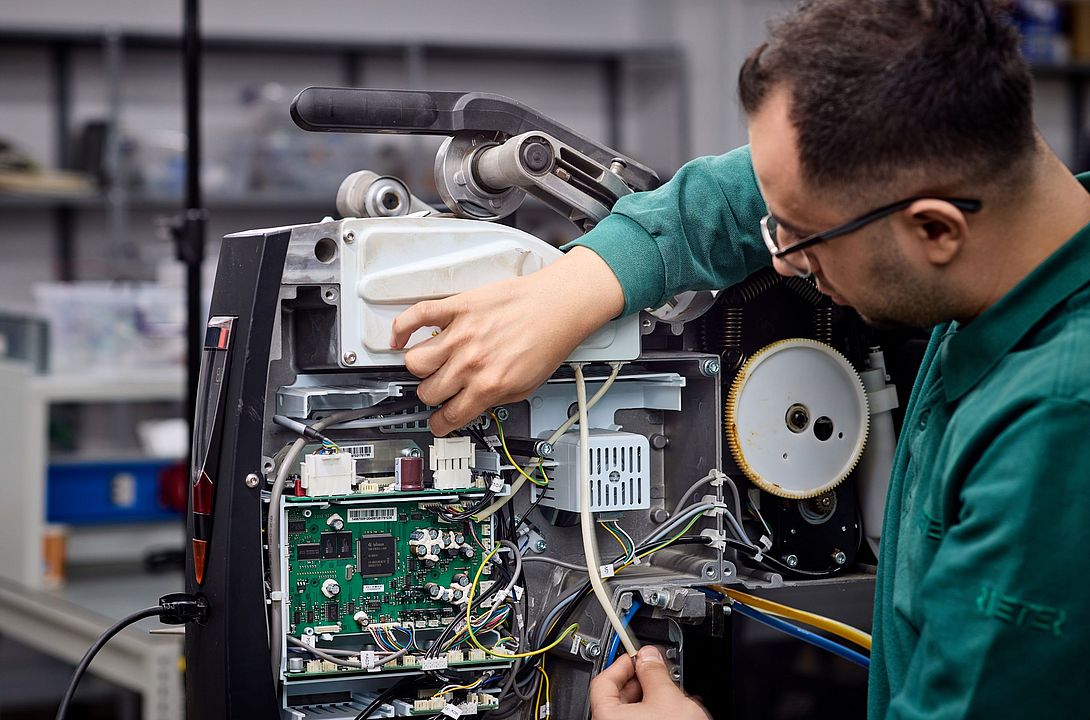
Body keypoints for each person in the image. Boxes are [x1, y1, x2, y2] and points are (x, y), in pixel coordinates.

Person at [392, 0, 1090, 717]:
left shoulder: (1057, 425)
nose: (780, 260)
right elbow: (736, 196)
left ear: (936, 231)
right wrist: (570, 290)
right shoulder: (1001, 239)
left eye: (800, 237)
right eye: (774, 224)